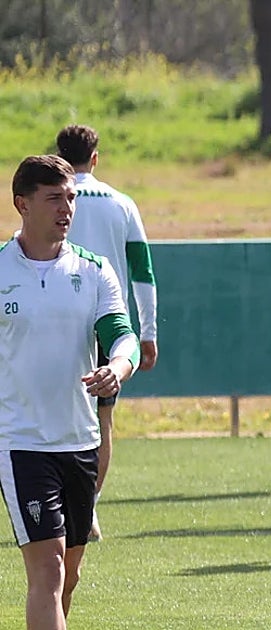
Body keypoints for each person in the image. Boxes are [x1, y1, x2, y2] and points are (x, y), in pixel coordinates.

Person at [1, 154, 141, 629]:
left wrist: (118, 368)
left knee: (69, 575)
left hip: (80, 443)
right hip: (21, 443)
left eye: (71, 197)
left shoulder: (95, 269)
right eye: (54, 198)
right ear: (22, 203)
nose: (67, 208)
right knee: (49, 568)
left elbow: (123, 336)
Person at [54, 124, 160, 542]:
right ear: (95, 158)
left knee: (58, 414)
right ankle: (87, 508)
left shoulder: (53, 200)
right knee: (102, 420)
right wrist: (146, 331)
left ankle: (56, 504)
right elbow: (143, 271)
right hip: (106, 324)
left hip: (59, 320)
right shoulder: (121, 203)